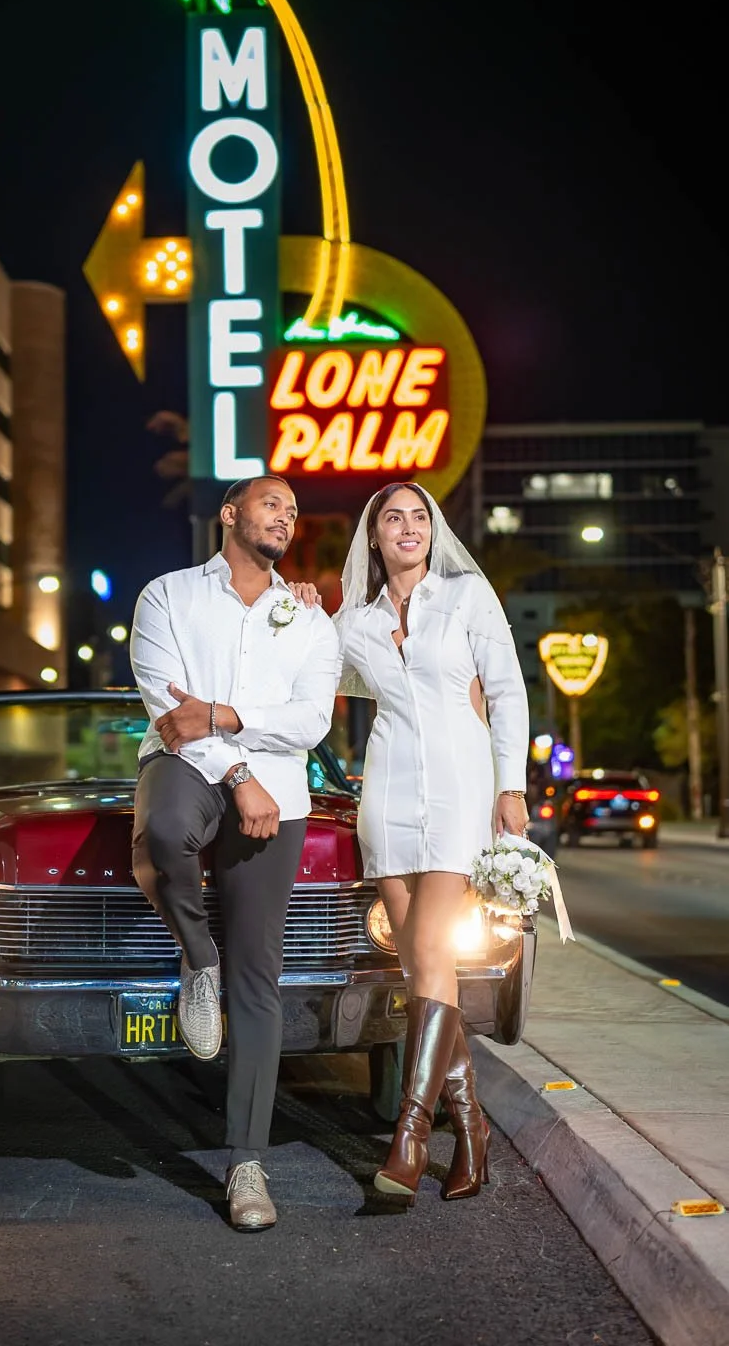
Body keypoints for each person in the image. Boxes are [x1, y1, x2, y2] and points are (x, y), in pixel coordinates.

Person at [128, 475, 338, 1232]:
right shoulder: (168, 595)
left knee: (260, 976)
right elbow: (165, 704)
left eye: (290, 507)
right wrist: (240, 770)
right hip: (186, 770)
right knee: (163, 831)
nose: (283, 514)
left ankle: (246, 1163)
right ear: (229, 515)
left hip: (277, 794)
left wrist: (224, 716)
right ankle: (196, 957)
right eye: (268, 502)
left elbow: (310, 720)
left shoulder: (310, 618)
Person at [331, 480, 530, 1204]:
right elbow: (303, 676)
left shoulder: (466, 597)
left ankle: (410, 1138)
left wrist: (510, 783)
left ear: (431, 530)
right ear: (374, 537)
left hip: (460, 787)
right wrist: (288, 612)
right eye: (393, 518)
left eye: (419, 516)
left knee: (427, 950)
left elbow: (505, 689)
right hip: (385, 792)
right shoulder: (351, 623)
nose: (408, 527)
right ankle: (470, 1129)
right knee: (419, 964)